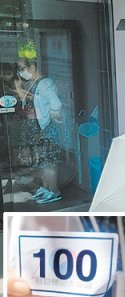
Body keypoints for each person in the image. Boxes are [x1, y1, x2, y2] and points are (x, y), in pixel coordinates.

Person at [15, 57, 64, 204]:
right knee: (42, 160)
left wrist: (52, 116)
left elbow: (56, 104)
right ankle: (46, 188)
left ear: (32, 67)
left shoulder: (44, 84)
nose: (21, 72)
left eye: (22, 68)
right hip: (38, 127)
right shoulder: (33, 84)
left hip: (46, 128)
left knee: (49, 161)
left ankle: (54, 191)